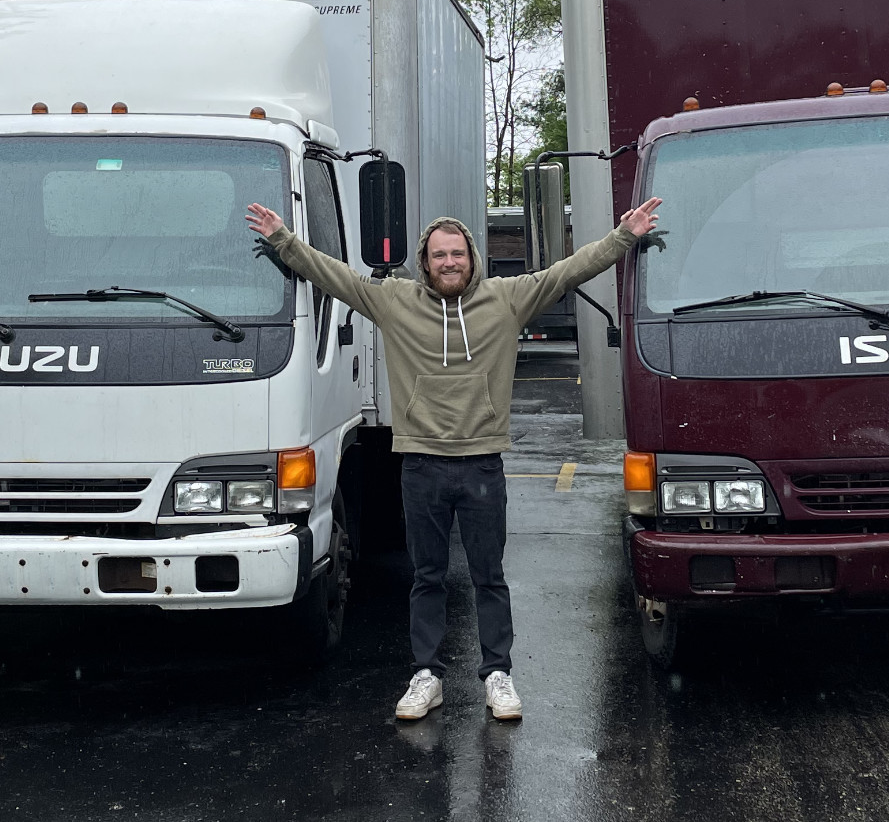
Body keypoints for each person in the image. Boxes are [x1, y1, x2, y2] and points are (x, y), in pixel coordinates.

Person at [246, 196, 661, 721]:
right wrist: (283, 238)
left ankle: (498, 674)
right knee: (427, 576)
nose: (449, 263)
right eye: (439, 255)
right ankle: (427, 675)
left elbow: (569, 270)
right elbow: (336, 278)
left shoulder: (507, 300)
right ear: (425, 261)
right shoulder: (395, 301)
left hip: (482, 464)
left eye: (458, 254)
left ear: (472, 258)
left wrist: (625, 236)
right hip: (420, 465)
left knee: (489, 577)